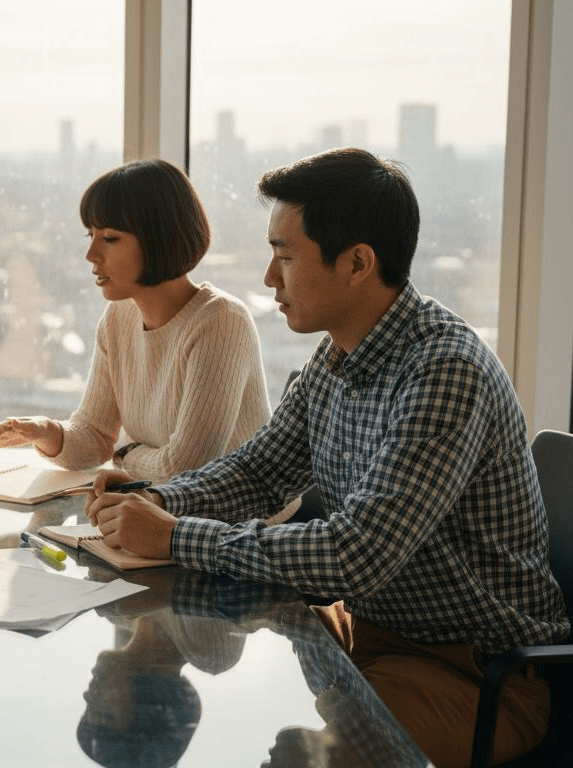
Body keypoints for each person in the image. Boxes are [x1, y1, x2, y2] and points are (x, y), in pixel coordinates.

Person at [88, 147, 568, 768]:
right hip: (368, 635)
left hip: (473, 673)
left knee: (298, 759)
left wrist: (178, 538)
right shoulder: (338, 355)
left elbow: (356, 554)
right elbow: (260, 470)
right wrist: (157, 500)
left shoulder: (446, 371)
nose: (269, 277)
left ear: (357, 264)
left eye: (285, 256)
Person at [0, 159, 269, 484]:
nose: (91, 254)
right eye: (91, 235)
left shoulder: (221, 322)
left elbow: (184, 471)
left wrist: (125, 454)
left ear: (159, 238)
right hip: (165, 509)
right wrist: (45, 431)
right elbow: (95, 438)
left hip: (240, 525)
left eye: (110, 239)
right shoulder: (119, 317)